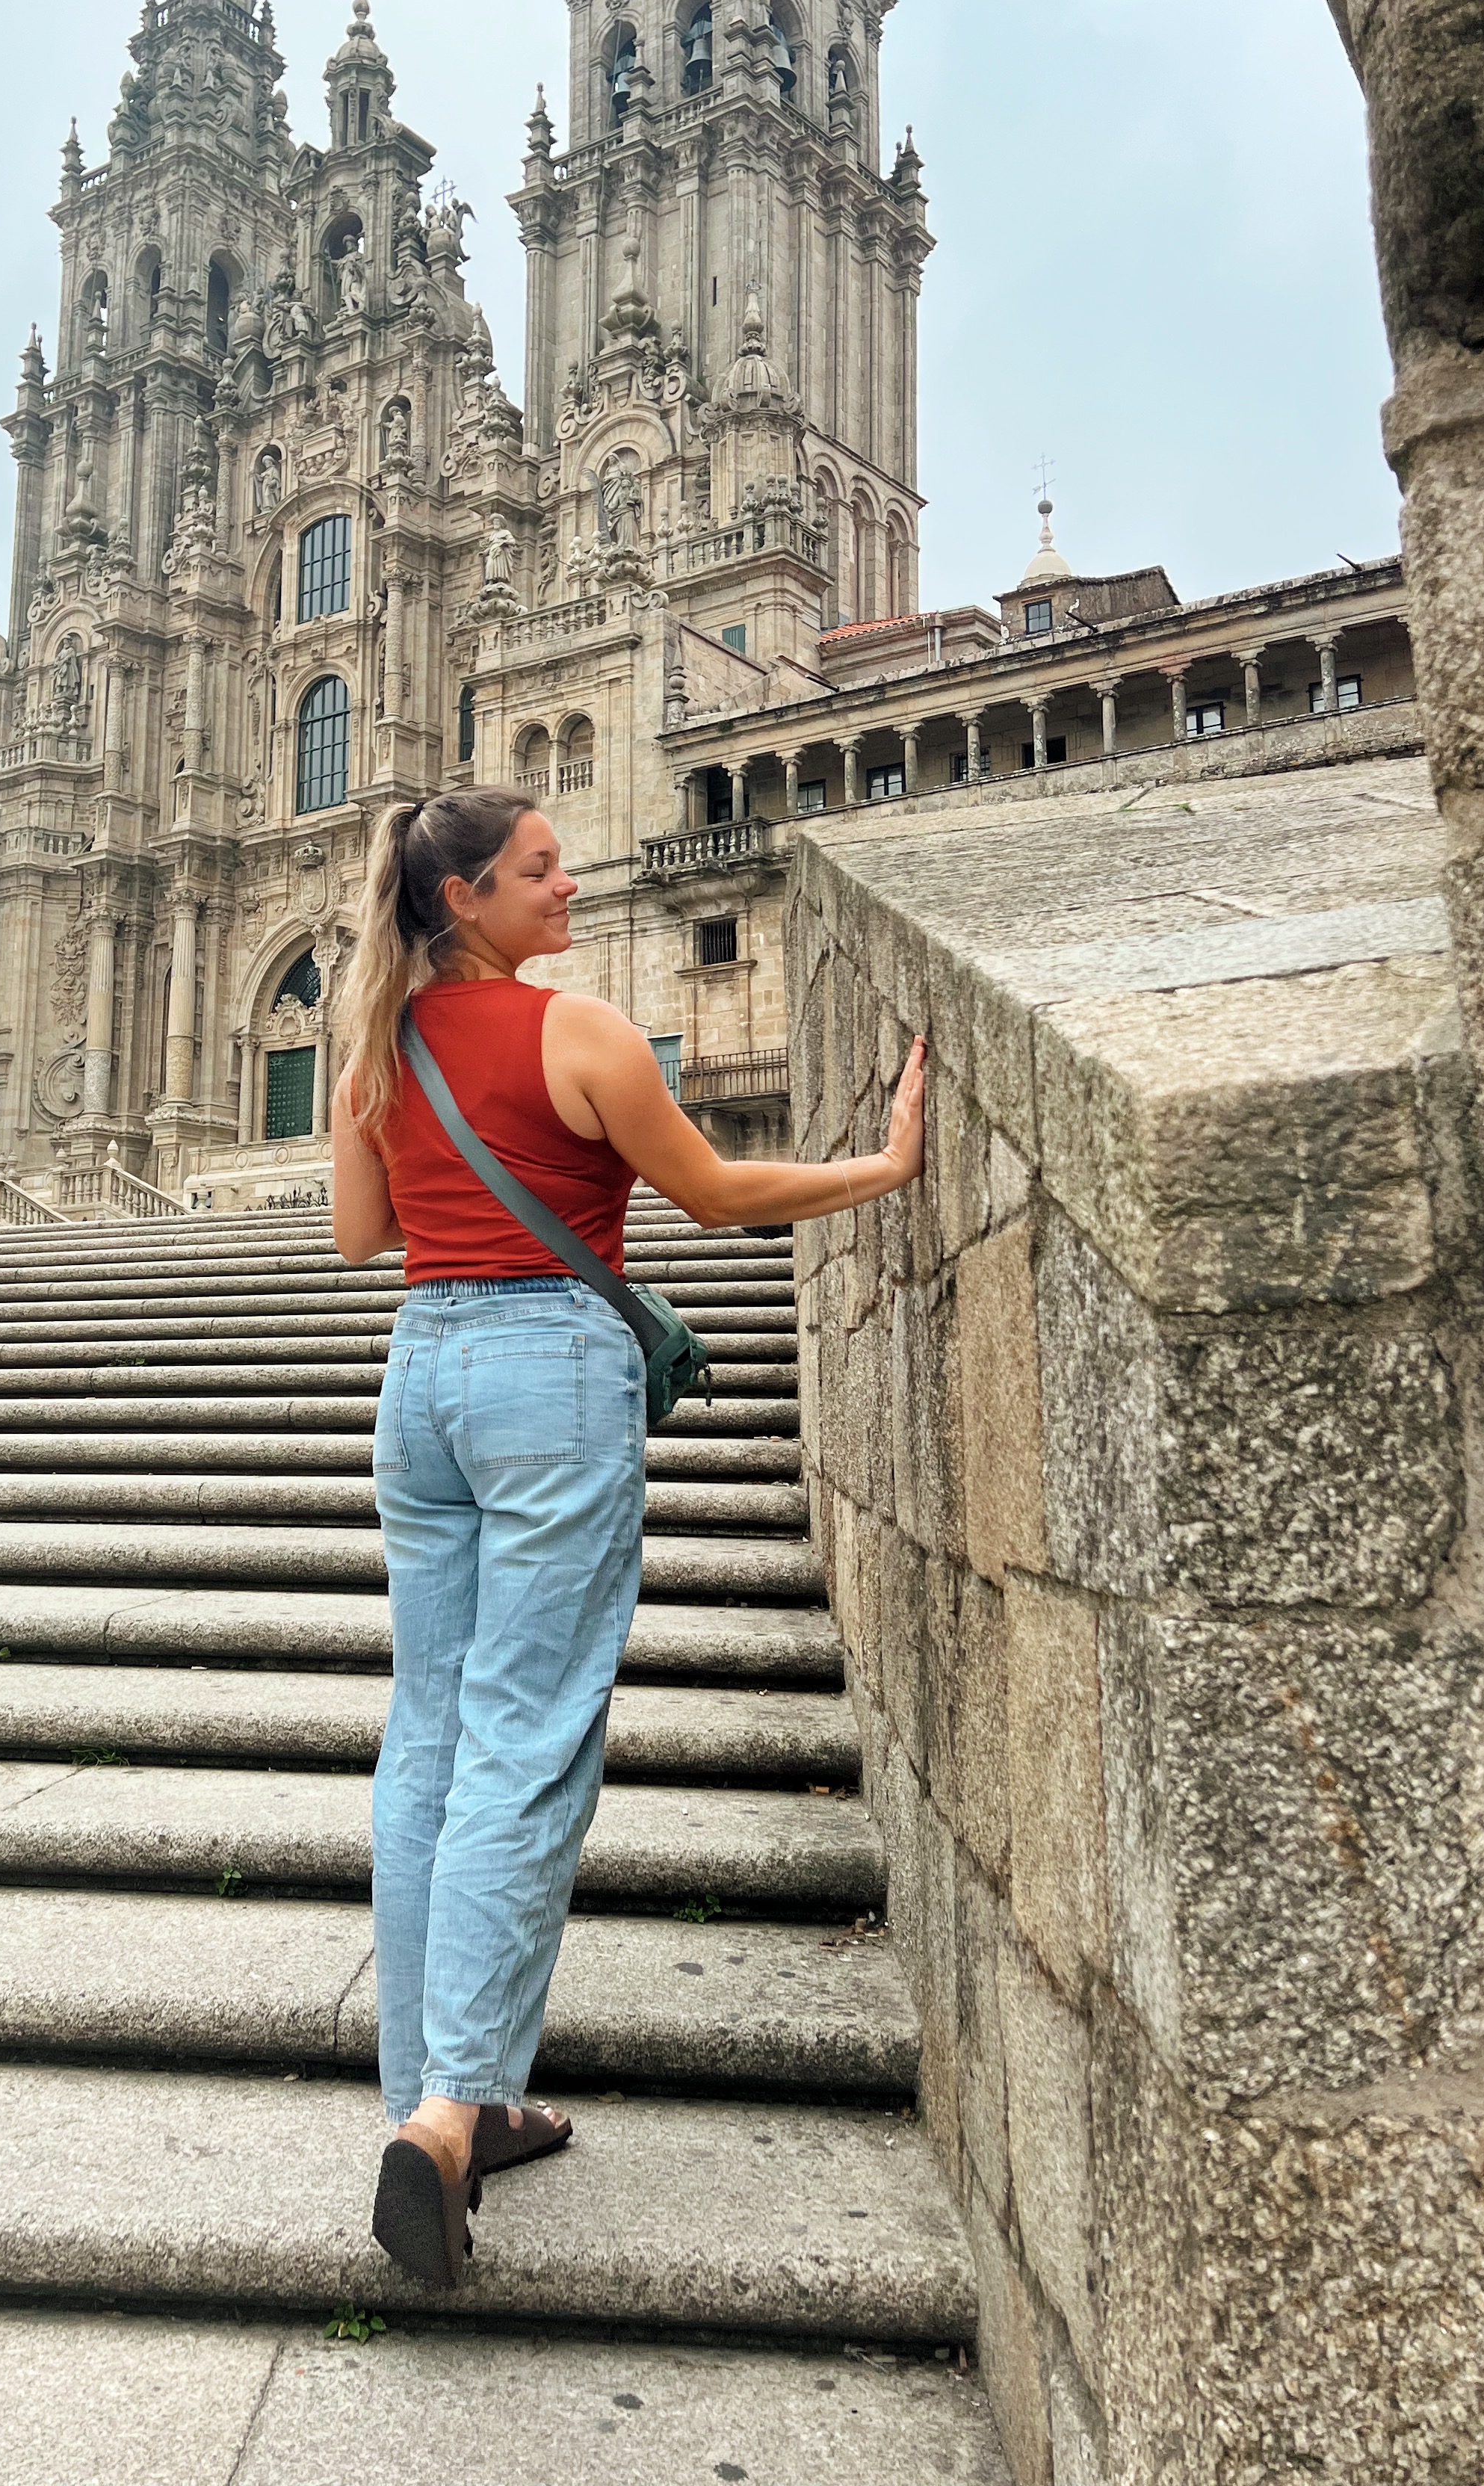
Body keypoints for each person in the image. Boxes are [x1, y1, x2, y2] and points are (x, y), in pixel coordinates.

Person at [330, 787, 926, 2291]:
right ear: (465, 896)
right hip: (549, 1377)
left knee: (433, 1732)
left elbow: (358, 1240)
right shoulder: (577, 1031)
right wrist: (882, 1167)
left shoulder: (371, 1045)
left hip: (422, 1380)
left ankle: (439, 2097)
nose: (572, 884)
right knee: (528, 1739)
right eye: (541, 868)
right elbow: (717, 1198)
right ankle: (456, 2112)